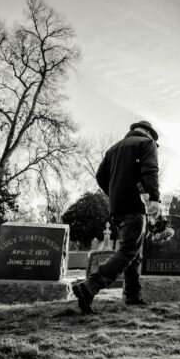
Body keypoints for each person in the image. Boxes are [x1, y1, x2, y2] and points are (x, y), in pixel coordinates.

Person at [72, 120, 161, 314]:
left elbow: (100, 176)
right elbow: (150, 170)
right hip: (135, 206)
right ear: (147, 132)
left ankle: (132, 295)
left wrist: (114, 194)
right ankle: (89, 287)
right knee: (128, 251)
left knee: (134, 254)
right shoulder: (146, 143)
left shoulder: (113, 149)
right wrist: (154, 199)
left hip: (117, 208)